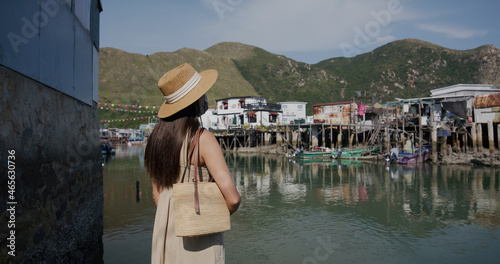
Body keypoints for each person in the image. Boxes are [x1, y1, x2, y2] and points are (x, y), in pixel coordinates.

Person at [144, 63, 240, 264]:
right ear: (194, 101)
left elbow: (157, 194)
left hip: (164, 234)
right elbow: (232, 199)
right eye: (202, 94)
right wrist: (210, 214)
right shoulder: (203, 138)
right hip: (198, 241)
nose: (206, 99)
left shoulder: (154, 141)